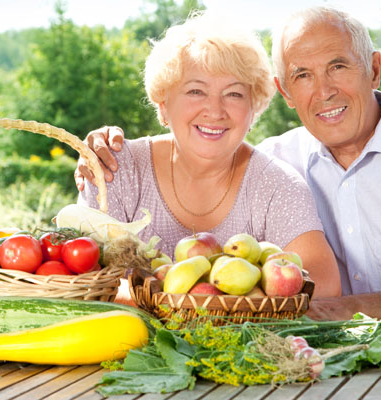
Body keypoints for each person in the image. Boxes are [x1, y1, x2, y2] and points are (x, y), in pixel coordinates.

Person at [76, 7, 381, 324]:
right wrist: (100, 150)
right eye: (303, 75)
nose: (323, 92)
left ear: (373, 69)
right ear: (284, 91)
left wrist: (326, 311)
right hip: (320, 360)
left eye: (338, 66)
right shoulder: (279, 159)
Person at [77, 12, 342, 298]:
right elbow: (83, 279)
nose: (215, 111)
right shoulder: (117, 168)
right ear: (164, 105)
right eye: (195, 91)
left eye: (234, 94)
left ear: (253, 110)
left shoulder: (277, 184)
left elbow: (325, 287)